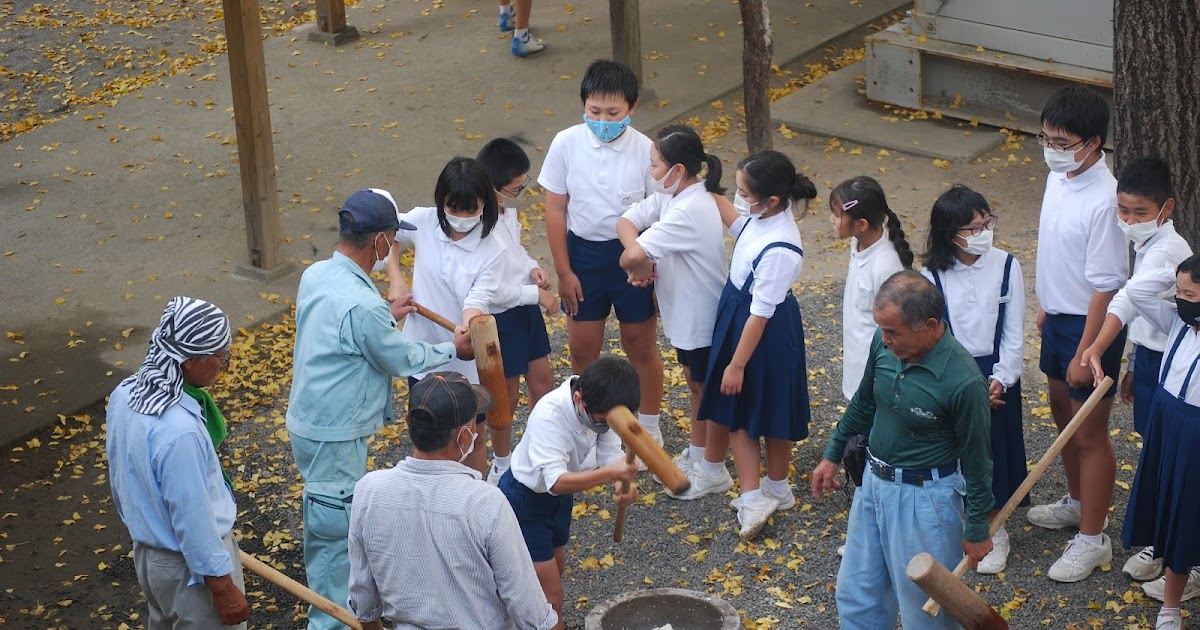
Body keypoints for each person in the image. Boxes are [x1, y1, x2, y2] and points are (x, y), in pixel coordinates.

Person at [287, 188, 472, 630]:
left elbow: (348, 334)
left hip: (310, 419)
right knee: (337, 538)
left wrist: (389, 314)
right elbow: (400, 359)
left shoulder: (317, 275)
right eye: (392, 238)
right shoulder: (364, 305)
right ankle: (333, 619)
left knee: (326, 515)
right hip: (336, 431)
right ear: (380, 241)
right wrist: (453, 347)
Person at [812, 271, 994, 630]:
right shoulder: (885, 346)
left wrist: (976, 528)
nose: (884, 339)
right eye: (881, 329)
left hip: (926, 500)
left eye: (893, 331)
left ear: (929, 326)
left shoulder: (964, 381)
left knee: (925, 613)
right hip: (872, 484)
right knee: (856, 593)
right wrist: (833, 452)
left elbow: (978, 460)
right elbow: (864, 403)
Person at [672, 150, 814, 542]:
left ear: (770, 200)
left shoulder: (782, 246)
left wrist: (735, 364)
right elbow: (739, 225)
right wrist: (701, 189)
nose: (737, 197)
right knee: (763, 404)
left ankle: (756, 495)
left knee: (741, 407)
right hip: (745, 315)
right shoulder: (762, 218)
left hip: (757, 327)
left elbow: (761, 312)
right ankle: (775, 487)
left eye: (742, 192)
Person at [346, 372, 557, 630]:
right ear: (465, 437)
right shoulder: (485, 503)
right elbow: (532, 615)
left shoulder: (369, 491)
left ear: (408, 422)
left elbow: (364, 602)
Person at [1029, 84, 1129, 583]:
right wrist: (1047, 304)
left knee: (1088, 432)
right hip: (1058, 317)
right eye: (1045, 137)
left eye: (1062, 141)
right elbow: (1056, 249)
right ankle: (1074, 502)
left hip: (1090, 327)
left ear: (1093, 142)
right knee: (1059, 416)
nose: (1051, 148)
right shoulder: (1059, 178)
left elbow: (1107, 285)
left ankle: (1093, 539)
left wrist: (1088, 348)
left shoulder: (1106, 200)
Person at [539, 59, 664, 453]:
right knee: (582, 348)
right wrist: (564, 271)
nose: (603, 120)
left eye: (613, 112)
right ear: (584, 106)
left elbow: (658, 215)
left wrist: (648, 264)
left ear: (633, 106)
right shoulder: (566, 143)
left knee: (640, 343)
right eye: (594, 111)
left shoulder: (647, 150)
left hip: (632, 255)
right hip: (583, 257)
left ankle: (649, 427)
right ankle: (590, 426)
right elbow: (555, 209)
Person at [1080, 157, 1193, 583]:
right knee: (1155, 448)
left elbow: (1130, 298)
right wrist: (1130, 363)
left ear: (1167, 208)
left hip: (1175, 366)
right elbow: (1147, 316)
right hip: (1149, 359)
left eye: (1140, 213)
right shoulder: (1144, 244)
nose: (1129, 221)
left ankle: (1181, 553)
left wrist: (1096, 346)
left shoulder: (1169, 251)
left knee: (1172, 456)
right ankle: (1164, 540)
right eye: (1123, 211)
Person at [106, 297, 250, 629]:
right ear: (188, 362)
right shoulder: (179, 431)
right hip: (191, 572)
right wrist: (224, 589)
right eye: (220, 356)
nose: (224, 365)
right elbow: (193, 518)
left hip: (150, 558)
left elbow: (119, 479)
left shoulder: (124, 395)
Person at [921, 184, 1027, 574]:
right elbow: (933, 337)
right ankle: (956, 523)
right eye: (974, 228)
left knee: (994, 451)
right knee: (951, 452)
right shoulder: (930, 274)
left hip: (996, 377)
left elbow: (1014, 333)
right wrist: (960, 386)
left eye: (987, 223)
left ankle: (995, 529)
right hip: (951, 374)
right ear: (951, 234)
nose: (984, 233)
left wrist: (1002, 378)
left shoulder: (1006, 265)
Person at [616, 124, 727, 479]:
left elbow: (628, 258)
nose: (650, 173)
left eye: (654, 165)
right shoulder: (672, 196)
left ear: (678, 170)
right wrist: (641, 258)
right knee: (695, 385)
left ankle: (713, 467)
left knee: (706, 391)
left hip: (701, 316)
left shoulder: (687, 209)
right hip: (686, 315)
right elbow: (627, 221)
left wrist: (639, 261)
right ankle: (698, 454)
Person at [1094, 258, 1200, 629]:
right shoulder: (1177, 322)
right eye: (1179, 293)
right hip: (1167, 418)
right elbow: (1136, 290)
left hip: (1196, 430)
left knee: (1188, 510)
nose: (1182, 300)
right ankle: (1170, 607)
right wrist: (1173, 272)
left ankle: (1178, 594)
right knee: (1168, 503)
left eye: (1191, 295)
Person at [498, 356, 640, 629]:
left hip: (559, 500)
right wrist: (613, 473)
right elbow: (556, 482)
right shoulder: (548, 416)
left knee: (556, 566)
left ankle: (528, 617)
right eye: (601, 421)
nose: (605, 426)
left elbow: (611, 454)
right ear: (578, 398)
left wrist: (625, 486)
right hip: (525, 500)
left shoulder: (604, 403)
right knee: (550, 594)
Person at [387, 157, 507, 476]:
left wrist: (468, 326)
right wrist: (396, 276)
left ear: (486, 203)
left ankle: (475, 497)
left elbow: (477, 299)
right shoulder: (424, 221)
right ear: (441, 201)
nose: (461, 217)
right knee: (429, 437)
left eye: (471, 209)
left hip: (465, 358)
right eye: (453, 208)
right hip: (422, 352)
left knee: (472, 438)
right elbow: (390, 233)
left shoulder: (493, 248)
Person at [476, 138, 559, 484]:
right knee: (505, 397)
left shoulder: (508, 210)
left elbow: (516, 251)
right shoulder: (478, 223)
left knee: (543, 382)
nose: (521, 192)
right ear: (492, 187)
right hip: (501, 316)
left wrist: (532, 268)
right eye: (515, 187)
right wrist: (535, 295)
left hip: (524, 307)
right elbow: (491, 289)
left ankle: (540, 448)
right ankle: (502, 462)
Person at [829, 175, 913, 401]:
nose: (832, 220)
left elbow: (897, 327)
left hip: (877, 372)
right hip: (859, 362)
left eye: (837, 215)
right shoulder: (858, 243)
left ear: (862, 224)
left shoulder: (885, 265)